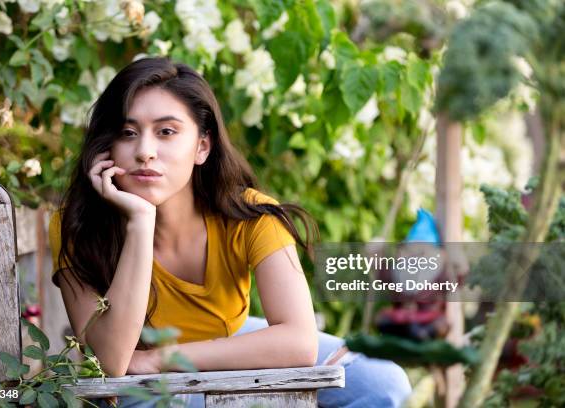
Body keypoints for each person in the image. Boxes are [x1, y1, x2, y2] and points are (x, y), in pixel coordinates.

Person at [48, 57, 411, 407]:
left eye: (167, 132)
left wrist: (161, 358)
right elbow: (113, 362)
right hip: (145, 386)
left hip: (213, 343)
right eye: (128, 133)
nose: (145, 151)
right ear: (108, 145)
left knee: (382, 382)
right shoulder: (79, 223)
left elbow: (299, 342)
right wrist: (141, 221)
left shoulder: (248, 216)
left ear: (202, 147)